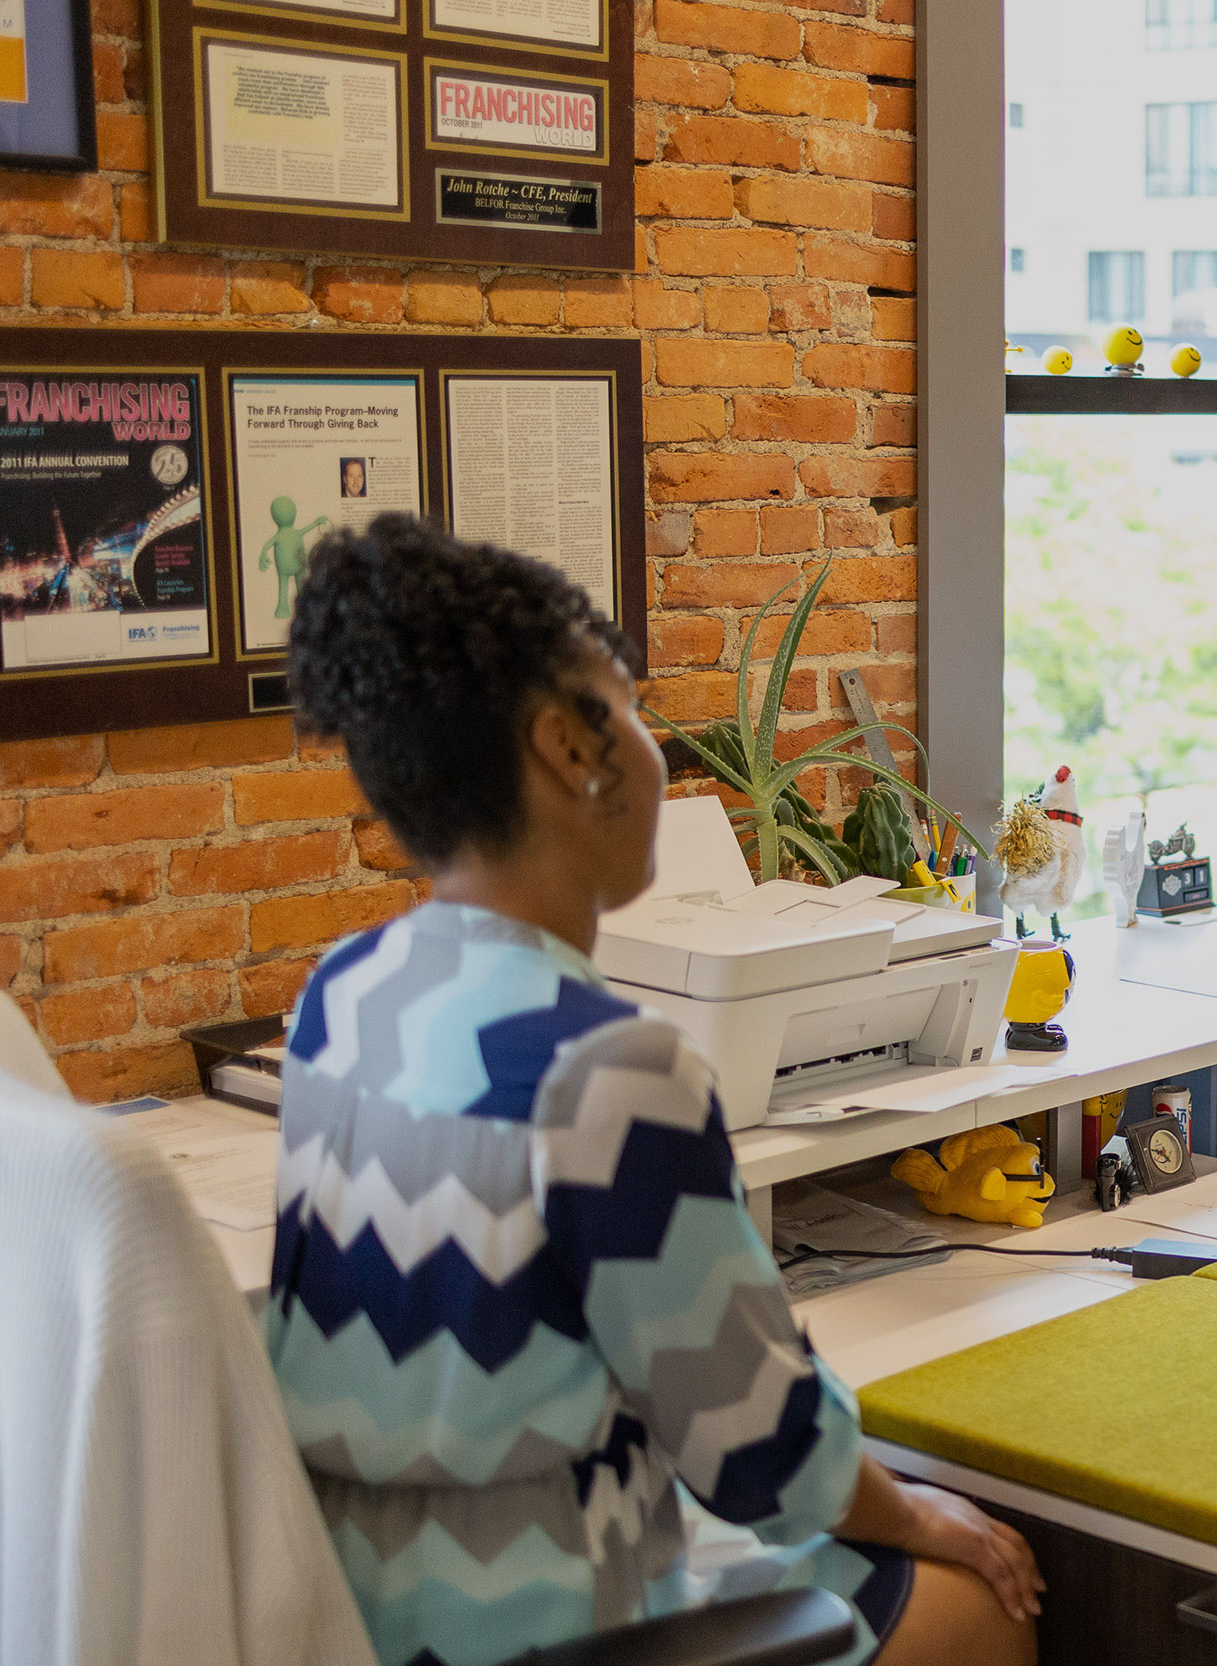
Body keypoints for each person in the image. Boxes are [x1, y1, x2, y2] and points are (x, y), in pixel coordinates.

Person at [270, 515, 1039, 1666]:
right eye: (628, 707)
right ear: (565, 749)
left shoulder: (347, 993)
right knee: (974, 1599)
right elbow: (757, 1453)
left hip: (364, 1612)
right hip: (553, 1623)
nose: (652, 747)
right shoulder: (608, 1066)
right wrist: (930, 1516)